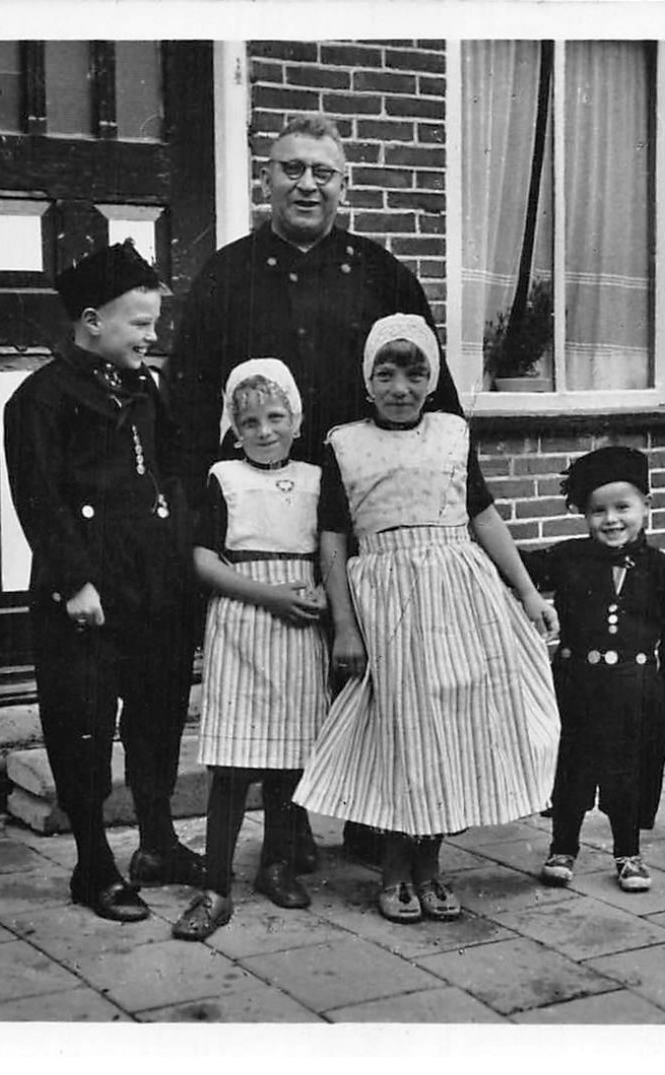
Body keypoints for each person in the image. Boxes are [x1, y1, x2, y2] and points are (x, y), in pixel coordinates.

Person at [169, 112, 462, 866]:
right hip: (267, 504)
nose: (306, 184)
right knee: (289, 666)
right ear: (265, 178)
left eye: (322, 172)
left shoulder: (381, 273)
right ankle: (290, 831)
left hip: (363, 497)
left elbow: (436, 399)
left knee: (377, 652)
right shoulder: (225, 274)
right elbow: (190, 396)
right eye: (290, 168)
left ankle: (371, 813)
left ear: (344, 185)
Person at [292, 314, 560, 924]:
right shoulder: (345, 444)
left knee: (449, 733)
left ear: (431, 379)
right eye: (385, 376)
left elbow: (484, 518)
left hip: (459, 599)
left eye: (414, 376)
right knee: (404, 736)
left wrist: (527, 594)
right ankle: (394, 871)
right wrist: (345, 625)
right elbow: (332, 541)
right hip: (386, 603)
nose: (400, 390)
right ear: (368, 381)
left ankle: (432, 868)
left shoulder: (452, 435)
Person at [2, 240, 206, 924]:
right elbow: (38, 499)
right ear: (91, 321)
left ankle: (157, 842)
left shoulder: (146, 388)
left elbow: (171, 474)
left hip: (154, 579)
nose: (152, 337)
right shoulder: (40, 398)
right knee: (84, 722)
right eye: (139, 324)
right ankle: (93, 863)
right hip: (85, 588)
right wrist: (73, 583)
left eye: (154, 324)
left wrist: (182, 558)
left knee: (156, 713)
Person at [172, 359, 330, 942]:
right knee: (234, 765)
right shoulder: (225, 478)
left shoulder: (316, 478)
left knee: (290, 759)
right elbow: (203, 559)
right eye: (249, 423)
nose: (264, 431)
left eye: (275, 418)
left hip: (299, 626)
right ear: (233, 429)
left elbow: (329, 549)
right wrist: (266, 595)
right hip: (243, 619)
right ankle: (215, 884)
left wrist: (313, 599)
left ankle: (277, 865)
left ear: (296, 418)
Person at [521, 446, 665, 892]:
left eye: (623, 507)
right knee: (571, 769)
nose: (611, 520)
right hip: (577, 685)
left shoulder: (661, 570)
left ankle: (628, 854)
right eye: (598, 511)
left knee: (629, 773)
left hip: (636, 690)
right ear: (585, 515)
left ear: (646, 508)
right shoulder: (569, 557)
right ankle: (563, 847)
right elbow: (520, 568)